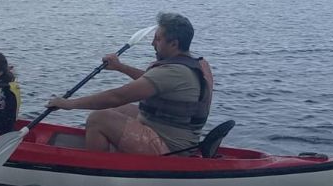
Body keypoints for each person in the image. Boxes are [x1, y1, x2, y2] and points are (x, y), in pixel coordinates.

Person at [46, 12, 213, 155]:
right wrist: (120, 67)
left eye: (158, 39)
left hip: (171, 148)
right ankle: (107, 147)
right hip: (178, 135)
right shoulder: (197, 64)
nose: (152, 44)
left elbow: (117, 96)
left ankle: (97, 169)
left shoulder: (173, 71)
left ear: (174, 43)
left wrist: (69, 104)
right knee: (120, 110)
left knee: (98, 118)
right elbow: (153, 81)